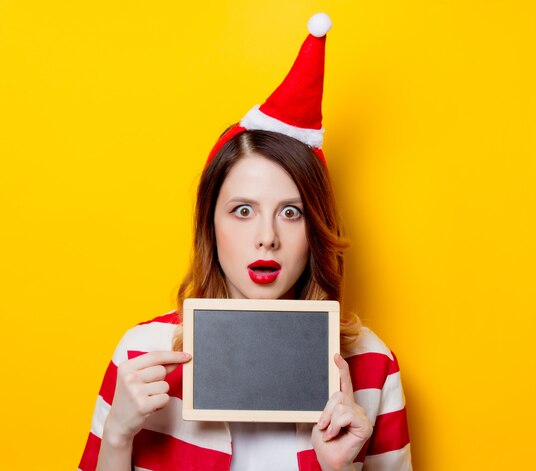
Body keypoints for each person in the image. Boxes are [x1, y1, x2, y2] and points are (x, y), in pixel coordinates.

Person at [79, 13, 411, 471]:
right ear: (210, 227)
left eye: (290, 212)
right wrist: (117, 436)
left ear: (316, 227)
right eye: (242, 210)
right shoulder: (141, 355)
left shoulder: (372, 365)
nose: (267, 238)